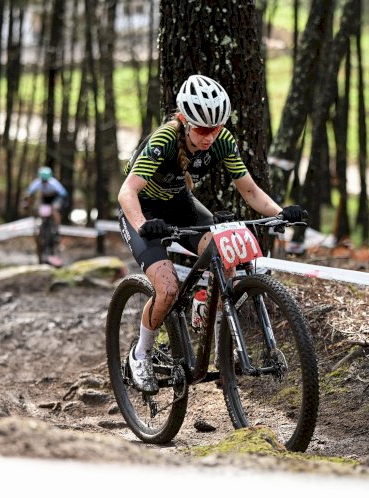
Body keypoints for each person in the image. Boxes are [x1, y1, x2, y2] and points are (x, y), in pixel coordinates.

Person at [117, 74, 306, 393]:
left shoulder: (223, 141)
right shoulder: (164, 139)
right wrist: (143, 226)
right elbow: (127, 192)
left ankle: (208, 318)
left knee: (224, 255)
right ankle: (140, 354)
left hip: (181, 205)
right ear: (185, 121)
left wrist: (280, 212)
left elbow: (250, 191)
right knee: (166, 289)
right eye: (202, 130)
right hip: (143, 211)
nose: (209, 137)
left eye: (215, 129)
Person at [23, 166, 68, 231]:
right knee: (41, 210)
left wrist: (64, 202)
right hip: (45, 198)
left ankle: (57, 227)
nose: (44, 182)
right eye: (43, 180)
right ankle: (43, 224)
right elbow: (29, 192)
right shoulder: (37, 183)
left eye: (45, 180)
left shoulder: (54, 183)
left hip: (56, 197)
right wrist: (26, 201)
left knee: (54, 210)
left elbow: (63, 193)